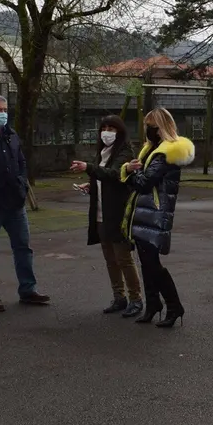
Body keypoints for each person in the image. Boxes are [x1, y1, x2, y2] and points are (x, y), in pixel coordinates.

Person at [0, 94, 50, 312]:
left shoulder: (11, 135)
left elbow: (21, 161)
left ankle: (28, 289)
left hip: (15, 203)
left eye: (5, 109)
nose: (2, 114)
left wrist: (22, 184)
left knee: (23, 248)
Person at [121, 108, 195, 328]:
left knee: (152, 264)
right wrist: (133, 171)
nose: (147, 129)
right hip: (146, 212)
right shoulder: (153, 149)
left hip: (154, 213)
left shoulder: (165, 153)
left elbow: (145, 182)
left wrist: (131, 171)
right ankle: (154, 305)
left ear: (160, 127)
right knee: (146, 262)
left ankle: (174, 306)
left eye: (150, 125)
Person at [70, 116, 143, 318]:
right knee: (110, 258)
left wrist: (88, 168)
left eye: (111, 128)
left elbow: (115, 175)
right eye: (104, 128)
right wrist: (91, 185)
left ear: (119, 131)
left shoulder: (125, 152)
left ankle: (136, 299)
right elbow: (103, 178)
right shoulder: (102, 152)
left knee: (124, 258)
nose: (107, 132)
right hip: (101, 214)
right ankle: (119, 297)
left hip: (118, 214)